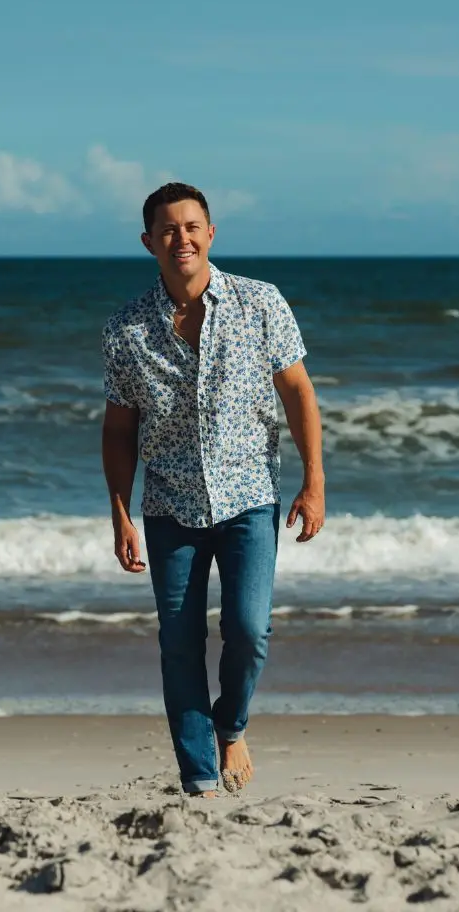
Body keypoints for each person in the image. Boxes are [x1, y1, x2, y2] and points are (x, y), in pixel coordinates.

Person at [100, 182, 325, 797]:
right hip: (169, 506)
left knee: (249, 630)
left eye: (193, 226)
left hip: (249, 497)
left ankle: (232, 723)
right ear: (148, 241)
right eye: (169, 230)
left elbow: (299, 392)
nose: (183, 239)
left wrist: (314, 482)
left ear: (212, 233)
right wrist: (120, 513)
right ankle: (198, 776)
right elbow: (119, 430)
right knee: (180, 643)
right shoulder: (127, 330)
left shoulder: (260, 304)